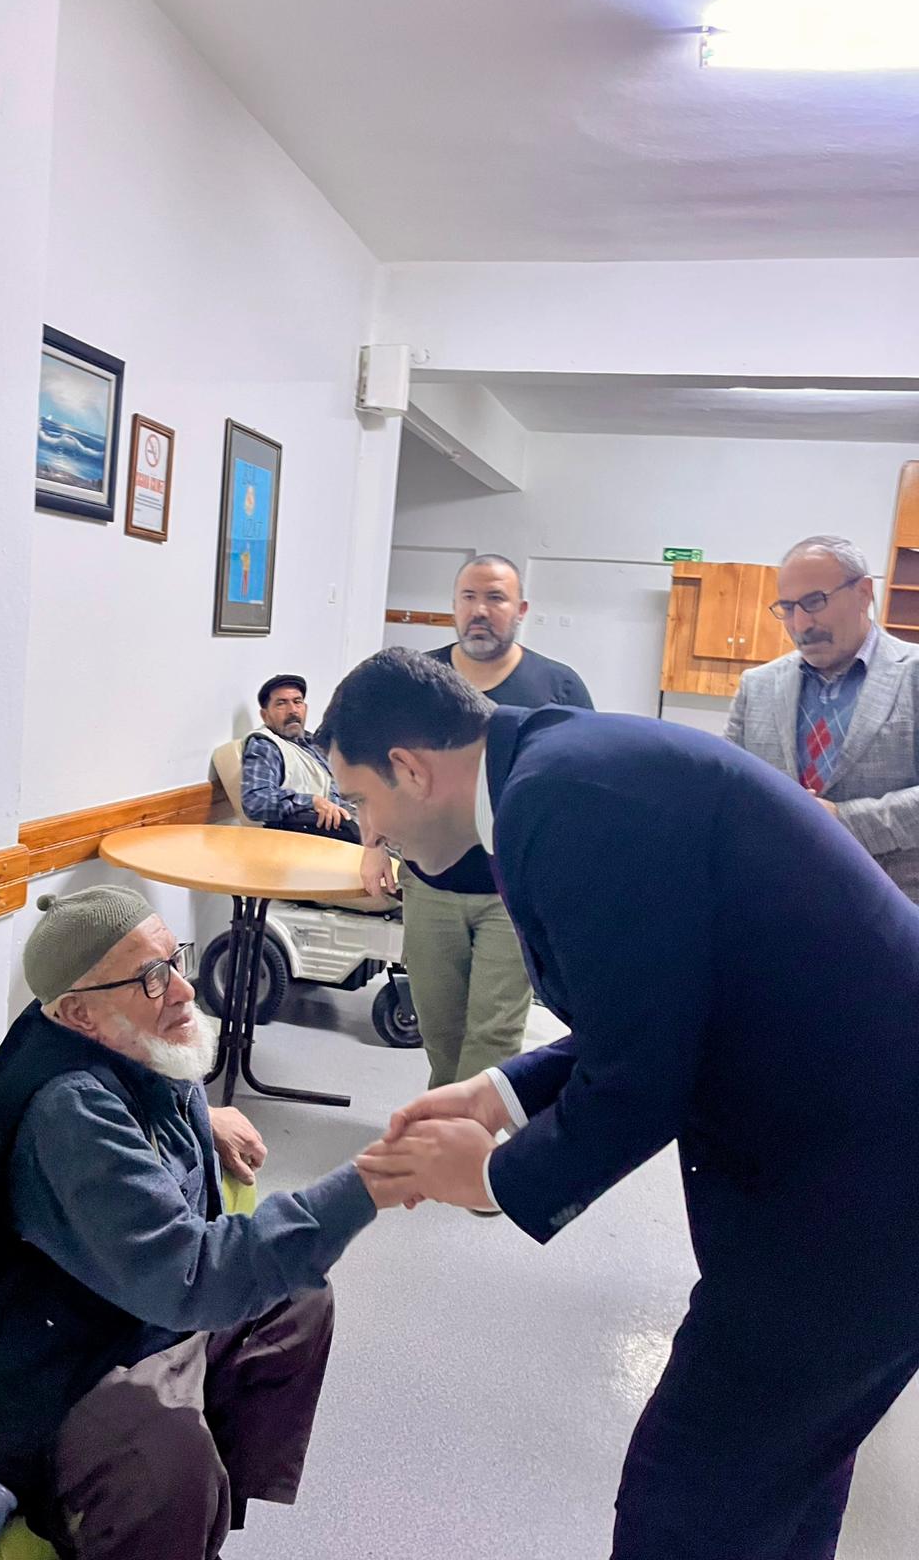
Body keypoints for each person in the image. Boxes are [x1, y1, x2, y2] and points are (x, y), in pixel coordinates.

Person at [318, 647, 919, 1560]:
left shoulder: (560, 801)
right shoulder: (558, 767)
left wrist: (490, 1179)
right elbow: (658, 1010)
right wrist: (499, 1091)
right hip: (856, 1155)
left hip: (859, 1182)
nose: (370, 832)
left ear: (411, 768)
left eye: (362, 801)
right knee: (784, 1474)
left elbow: (644, 1078)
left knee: (686, 1501)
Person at [0, 886, 376, 1560]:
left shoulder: (132, 1037)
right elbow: (190, 1276)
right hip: (42, 1352)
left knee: (299, 1299)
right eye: (151, 978)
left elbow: (146, 1094)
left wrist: (201, 1119)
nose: (183, 990)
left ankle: (199, 1530)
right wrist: (375, 1181)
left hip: (120, 1301)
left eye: (175, 960)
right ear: (80, 1014)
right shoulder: (71, 1111)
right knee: (165, 1467)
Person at [360, 555, 593, 1086]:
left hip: (510, 895)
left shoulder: (558, 687)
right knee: (439, 1030)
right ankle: (448, 1122)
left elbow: (579, 786)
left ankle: (469, 1130)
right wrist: (372, 844)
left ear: (521, 609)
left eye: (495, 598)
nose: (480, 610)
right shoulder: (412, 680)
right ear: (454, 606)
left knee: (492, 1033)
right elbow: (373, 767)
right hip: (428, 886)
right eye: (469, 597)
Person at [727, 533, 919, 901]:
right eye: (787, 607)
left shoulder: (913, 675)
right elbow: (730, 785)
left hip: (891, 909)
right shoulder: (758, 686)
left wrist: (842, 820)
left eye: (814, 602)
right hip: (777, 902)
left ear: (863, 593)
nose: (800, 624)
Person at [241, 673, 358, 842]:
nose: (292, 710)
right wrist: (312, 801)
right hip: (314, 832)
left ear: (305, 708)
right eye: (281, 703)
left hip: (349, 817)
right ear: (265, 715)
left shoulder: (312, 743)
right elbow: (256, 801)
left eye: (297, 702)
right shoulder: (264, 745)